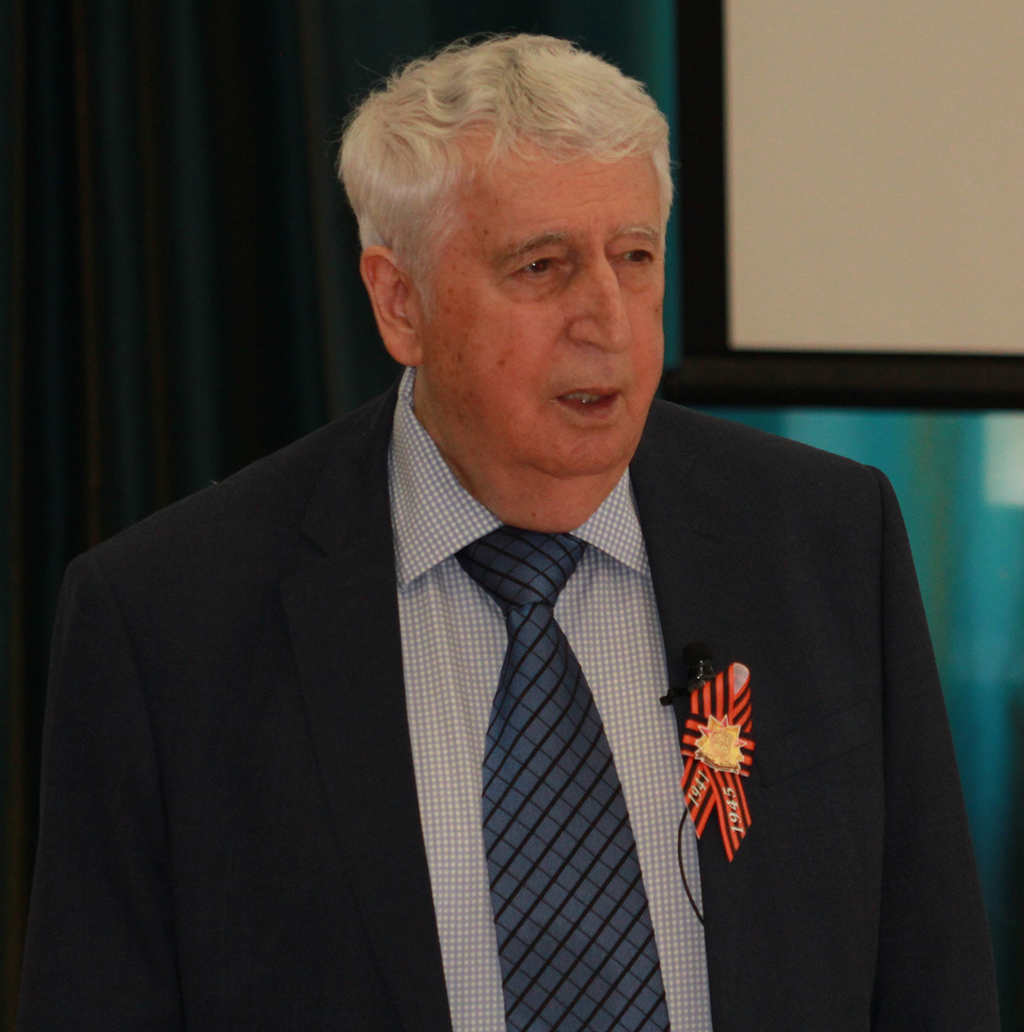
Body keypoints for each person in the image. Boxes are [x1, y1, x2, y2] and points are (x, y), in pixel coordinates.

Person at [17, 34, 998, 1032]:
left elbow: (934, 974)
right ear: (400, 303)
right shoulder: (166, 620)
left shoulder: (826, 538)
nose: (608, 321)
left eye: (634, 257)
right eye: (542, 266)